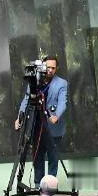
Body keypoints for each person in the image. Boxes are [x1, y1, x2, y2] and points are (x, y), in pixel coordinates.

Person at [14, 56, 69, 186]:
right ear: (42, 67)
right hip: (36, 125)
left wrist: (56, 116)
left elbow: (63, 102)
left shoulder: (62, 83)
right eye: (47, 67)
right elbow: (26, 100)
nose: (50, 70)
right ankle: (38, 184)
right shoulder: (34, 82)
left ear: (56, 68)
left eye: (53, 68)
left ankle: (50, 185)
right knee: (37, 156)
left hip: (53, 127)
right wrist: (19, 117)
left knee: (53, 157)